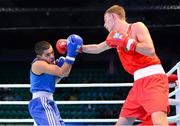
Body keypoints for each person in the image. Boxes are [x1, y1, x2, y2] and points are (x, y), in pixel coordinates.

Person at [56, 5, 169, 126]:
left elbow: (150, 50)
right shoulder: (115, 37)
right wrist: (75, 47)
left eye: (105, 20)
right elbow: (98, 48)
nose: (104, 25)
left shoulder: (136, 26)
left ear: (113, 16)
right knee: (121, 123)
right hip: (138, 83)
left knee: (159, 122)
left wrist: (127, 41)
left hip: (153, 79)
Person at [28, 34, 83, 126]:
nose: (52, 56)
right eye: (47, 54)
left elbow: (56, 80)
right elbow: (64, 72)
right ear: (39, 56)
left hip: (49, 100)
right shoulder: (39, 64)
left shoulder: (49, 64)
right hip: (41, 102)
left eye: (52, 52)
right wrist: (71, 54)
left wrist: (60, 74)